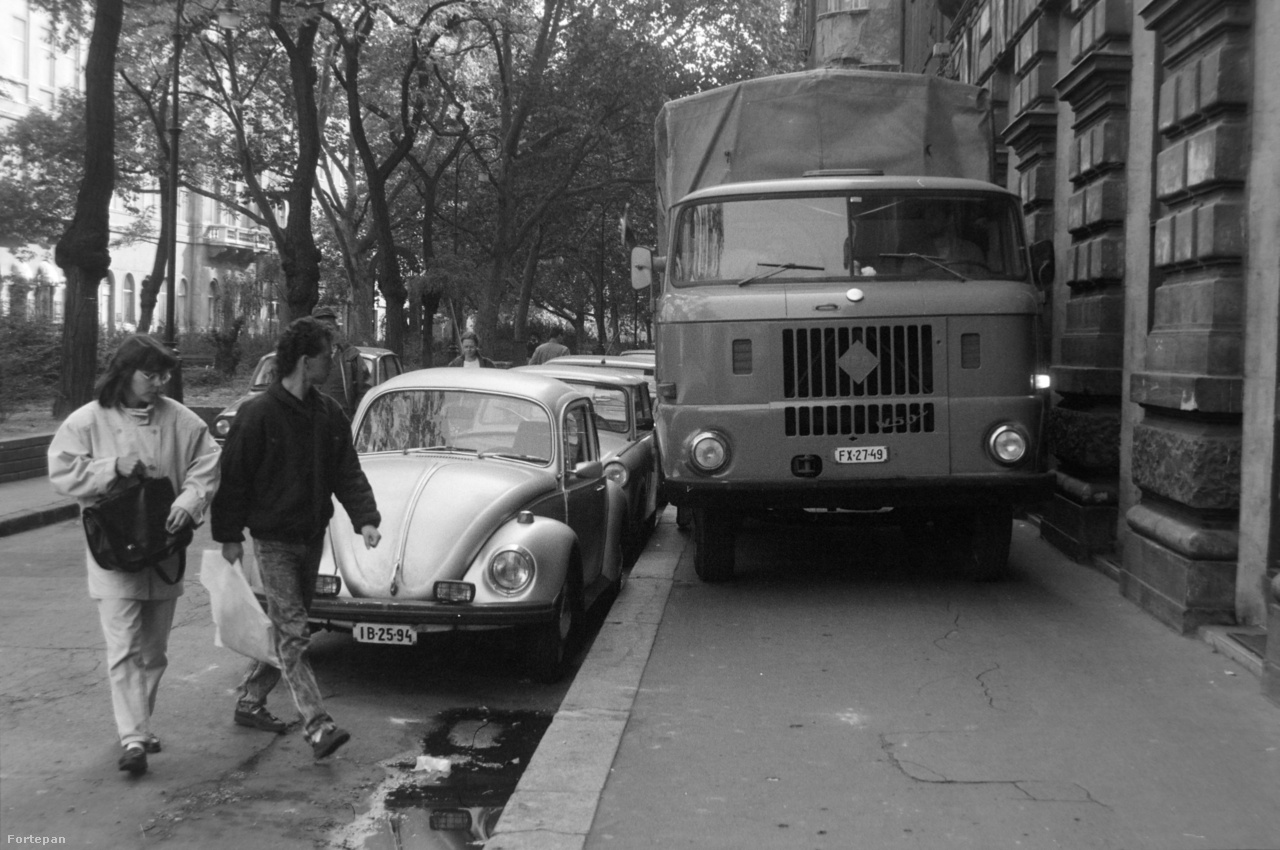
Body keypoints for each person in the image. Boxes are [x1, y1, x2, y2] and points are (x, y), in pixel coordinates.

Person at [47, 335, 221, 777]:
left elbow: (208, 464)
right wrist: (110, 468)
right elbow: (62, 471)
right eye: (151, 374)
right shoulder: (88, 421)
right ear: (125, 372)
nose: (160, 383)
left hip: (164, 549)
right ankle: (134, 739)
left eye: (166, 375)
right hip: (114, 553)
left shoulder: (182, 421)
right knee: (123, 647)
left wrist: (190, 500)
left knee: (155, 651)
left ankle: (138, 726)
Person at [212, 316, 382, 761]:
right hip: (272, 541)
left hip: (312, 535)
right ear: (307, 361)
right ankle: (318, 725)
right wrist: (229, 537)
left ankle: (251, 698)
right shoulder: (258, 415)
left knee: (291, 630)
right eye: (328, 355)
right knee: (294, 631)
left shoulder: (328, 414)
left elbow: (347, 471)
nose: (334, 361)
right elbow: (232, 482)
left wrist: (365, 518)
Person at [310, 305, 370, 419]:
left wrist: (355, 418)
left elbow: (364, 391)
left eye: (329, 327)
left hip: (343, 422)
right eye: (320, 329)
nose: (326, 333)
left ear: (337, 329)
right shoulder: (305, 358)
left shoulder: (351, 356)